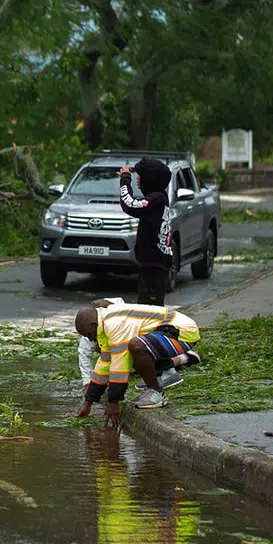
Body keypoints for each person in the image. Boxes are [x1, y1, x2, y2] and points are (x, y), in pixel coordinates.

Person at [74, 301, 202, 423]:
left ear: (93, 324)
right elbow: (105, 363)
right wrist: (88, 401)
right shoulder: (104, 324)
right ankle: (162, 378)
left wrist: (114, 402)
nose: (89, 339)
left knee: (136, 346)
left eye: (88, 334)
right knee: (133, 350)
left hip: (182, 333)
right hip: (166, 332)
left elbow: (120, 366)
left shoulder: (114, 324)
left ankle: (156, 392)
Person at [77, 297, 185, 394]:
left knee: (135, 348)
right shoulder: (90, 330)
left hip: (174, 333)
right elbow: (85, 354)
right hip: (170, 334)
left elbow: (120, 362)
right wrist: (88, 383)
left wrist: (114, 394)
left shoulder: (118, 318)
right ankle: (183, 360)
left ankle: (167, 375)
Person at [118, 158, 174, 306]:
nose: (137, 179)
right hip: (152, 264)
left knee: (150, 311)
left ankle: (154, 330)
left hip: (155, 265)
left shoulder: (157, 199)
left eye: (140, 176)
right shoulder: (159, 198)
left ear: (149, 179)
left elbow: (129, 204)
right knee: (147, 309)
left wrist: (125, 179)